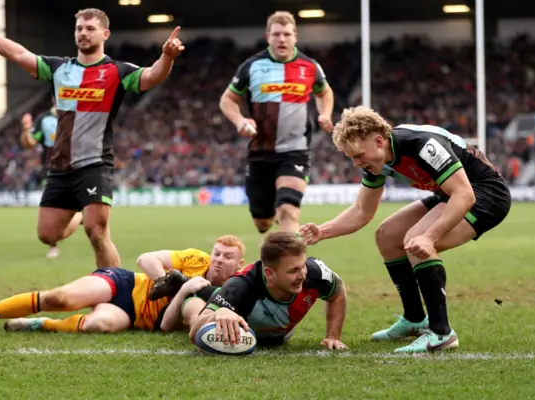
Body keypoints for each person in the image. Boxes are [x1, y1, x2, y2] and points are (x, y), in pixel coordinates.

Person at [0, 4, 184, 268]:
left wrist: (167, 58)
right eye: (79, 28)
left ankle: (115, 291)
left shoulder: (117, 71)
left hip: (94, 164)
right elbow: (18, 53)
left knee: (98, 233)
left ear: (105, 34)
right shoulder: (58, 69)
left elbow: (151, 76)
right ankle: (80, 214)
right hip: (60, 167)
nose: (83, 33)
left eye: (90, 28)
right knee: (47, 235)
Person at [300, 106, 511, 353]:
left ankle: (441, 332)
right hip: (452, 193)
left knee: (415, 240)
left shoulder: (421, 145)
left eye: (358, 155)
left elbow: (464, 194)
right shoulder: (378, 162)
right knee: (387, 235)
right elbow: (362, 211)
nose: (357, 163)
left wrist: (429, 237)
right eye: (352, 159)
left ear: (379, 140)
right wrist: (322, 231)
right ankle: (414, 319)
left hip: (486, 195)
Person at [0, 236, 246, 334]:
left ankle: (40, 324)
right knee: (61, 298)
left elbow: (169, 327)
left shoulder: (231, 291)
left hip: (133, 317)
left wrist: (183, 291)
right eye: (217, 253)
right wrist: (163, 281)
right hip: (125, 284)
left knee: (96, 326)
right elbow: (145, 258)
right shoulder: (196, 259)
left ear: (239, 263)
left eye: (227, 257)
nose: (218, 259)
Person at [218, 11, 334, 235]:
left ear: (295, 37)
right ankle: (273, 217)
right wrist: (240, 120)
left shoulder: (309, 67)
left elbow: (325, 92)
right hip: (260, 152)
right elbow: (227, 100)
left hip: (295, 151)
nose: (282, 39)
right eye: (277, 34)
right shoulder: (251, 67)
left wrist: (325, 114)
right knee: (263, 223)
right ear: (268, 36)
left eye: (287, 34)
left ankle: (288, 266)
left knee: (289, 211)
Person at [188, 231, 348, 350]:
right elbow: (194, 333)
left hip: (279, 333)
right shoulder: (240, 286)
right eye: (293, 271)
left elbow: (338, 291)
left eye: (303, 266)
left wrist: (332, 336)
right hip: (229, 298)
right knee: (194, 300)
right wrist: (218, 313)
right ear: (269, 274)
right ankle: (184, 286)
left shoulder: (315, 273)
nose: (302, 275)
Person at [20, 106, 82, 259]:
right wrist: (26, 130)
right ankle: (53, 245)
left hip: (80, 167)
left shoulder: (79, 112)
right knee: (52, 213)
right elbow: (29, 143)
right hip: (53, 171)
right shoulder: (44, 119)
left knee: (94, 219)